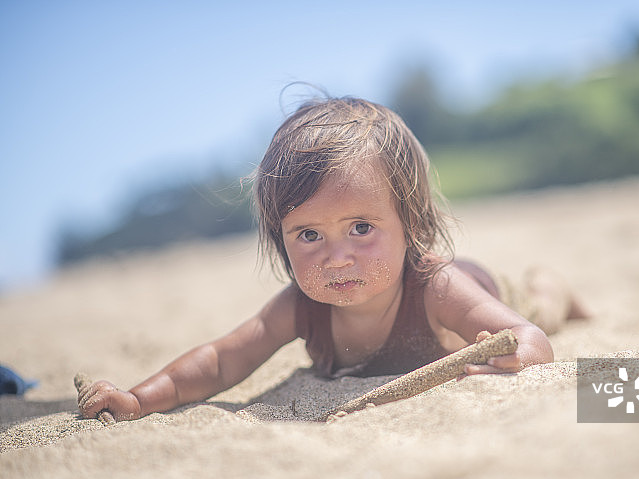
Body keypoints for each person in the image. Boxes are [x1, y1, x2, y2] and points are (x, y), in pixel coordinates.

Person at [79, 96, 586, 421]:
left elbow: (530, 339)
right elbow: (219, 360)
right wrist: (140, 399)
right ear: (280, 238)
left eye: (361, 229)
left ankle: (550, 285)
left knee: (540, 310)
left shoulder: (437, 287)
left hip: (485, 287)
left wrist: (514, 354)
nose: (337, 258)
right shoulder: (299, 306)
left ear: (409, 224)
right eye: (308, 235)